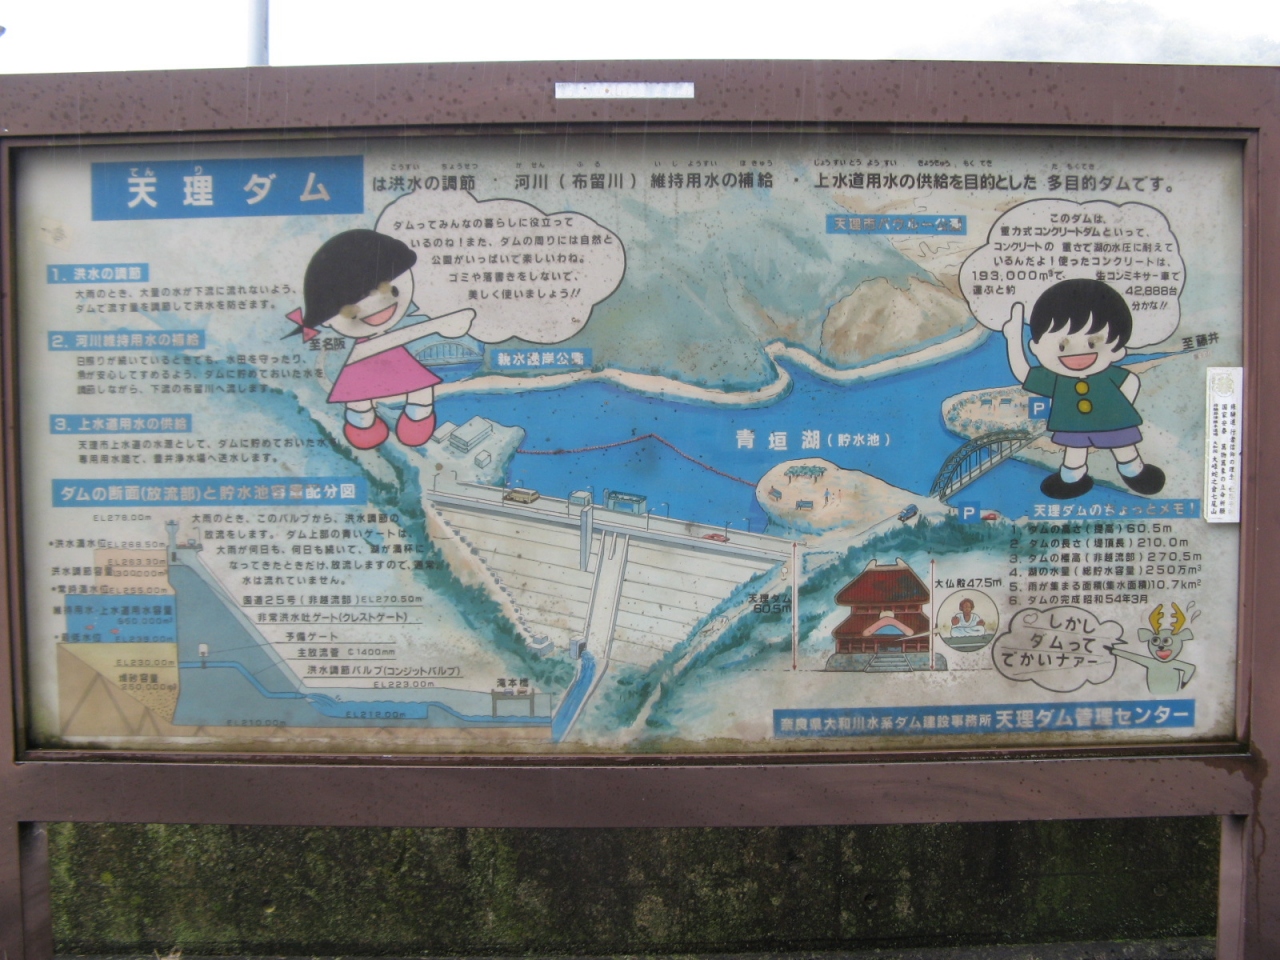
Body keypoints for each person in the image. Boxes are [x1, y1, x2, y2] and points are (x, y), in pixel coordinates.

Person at [286, 229, 474, 450]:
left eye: (392, 291)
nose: (377, 308)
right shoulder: (360, 348)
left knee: (421, 390)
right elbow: (381, 344)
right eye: (352, 311)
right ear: (327, 321)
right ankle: (364, 427)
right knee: (359, 402)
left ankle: (416, 421)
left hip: (395, 360)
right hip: (362, 367)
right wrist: (437, 326)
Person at [1003, 278, 1164, 499]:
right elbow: (1024, 373)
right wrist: (1013, 338)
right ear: (1036, 347)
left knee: (1123, 447)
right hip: (1074, 426)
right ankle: (1072, 479)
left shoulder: (1107, 375)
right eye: (1062, 346)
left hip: (1111, 422)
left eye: (1092, 343)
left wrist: (1118, 409)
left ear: (1118, 346)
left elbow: (1130, 381)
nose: (1078, 354)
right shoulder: (1058, 379)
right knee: (1075, 452)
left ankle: (1134, 472)